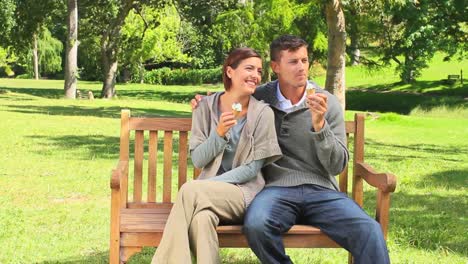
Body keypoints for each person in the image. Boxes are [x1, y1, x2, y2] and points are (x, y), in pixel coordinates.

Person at [191, 35, 390, 264]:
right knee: (256, 225)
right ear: (276, 67)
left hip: (322, 190)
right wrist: (203, 101)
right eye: (293, 62)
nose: (302, 68)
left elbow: (338, 165)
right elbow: (231, 94)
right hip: (275, 189)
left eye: (304, 61)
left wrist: (320, 125)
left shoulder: (327, 103)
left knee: (369, 231)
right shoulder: (260, 97)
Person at [151, 47, 282, 264]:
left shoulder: (263, 113)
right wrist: (218, 134)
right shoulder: (204, 107)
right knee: (202, 220)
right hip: (205, 195)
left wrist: (207, 185)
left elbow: (252, 168)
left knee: (189, 189)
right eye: (249, 68)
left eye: (259, 70)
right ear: (230, 72)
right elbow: (199, 160)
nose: (256, 76)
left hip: (244, 194)